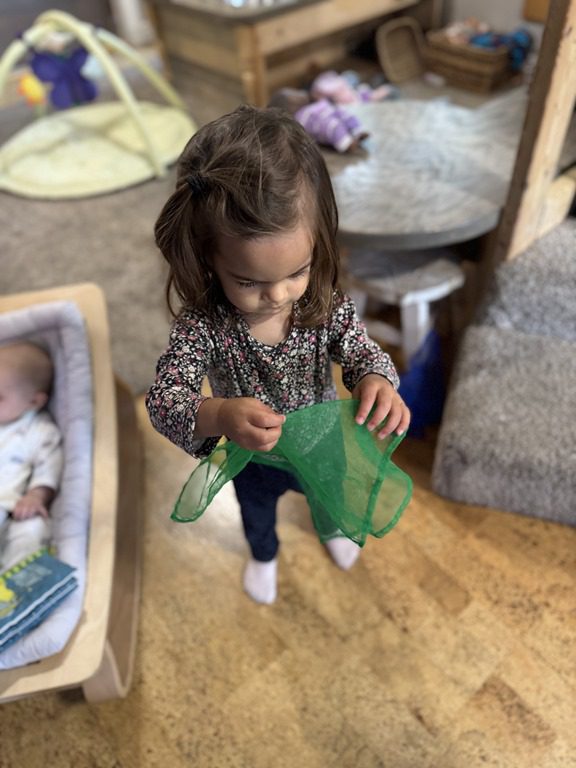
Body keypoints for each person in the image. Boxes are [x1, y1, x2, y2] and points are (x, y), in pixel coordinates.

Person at [146, 105, 410, 604]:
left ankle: (332, 529)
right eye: (249, 281)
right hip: (254, 459)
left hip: (325, 442)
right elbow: (163, 400)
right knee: (257, 514)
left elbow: (359, 348)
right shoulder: (203, 326)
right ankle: (264, 555)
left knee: (332, 496)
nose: (278, 295)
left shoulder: (321, 301)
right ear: (209, 259)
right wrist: (219, 414)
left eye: (297, 271)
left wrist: (376, 378)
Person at [0, 342, 63, 571]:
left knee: (34, 529)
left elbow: (49, 465)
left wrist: (36, 496)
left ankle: (14, 581)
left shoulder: (39, 431)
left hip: (13, 508)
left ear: (34, 401)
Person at [268, 87, 369, 153]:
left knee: (343, 115)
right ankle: (347, 142)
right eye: (293, 97)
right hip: (325, 119)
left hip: (330, 110)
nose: (298, 95)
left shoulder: (308, 106)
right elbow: (327, 127)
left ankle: (357, 130)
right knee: (332, 126)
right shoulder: (301, 118)